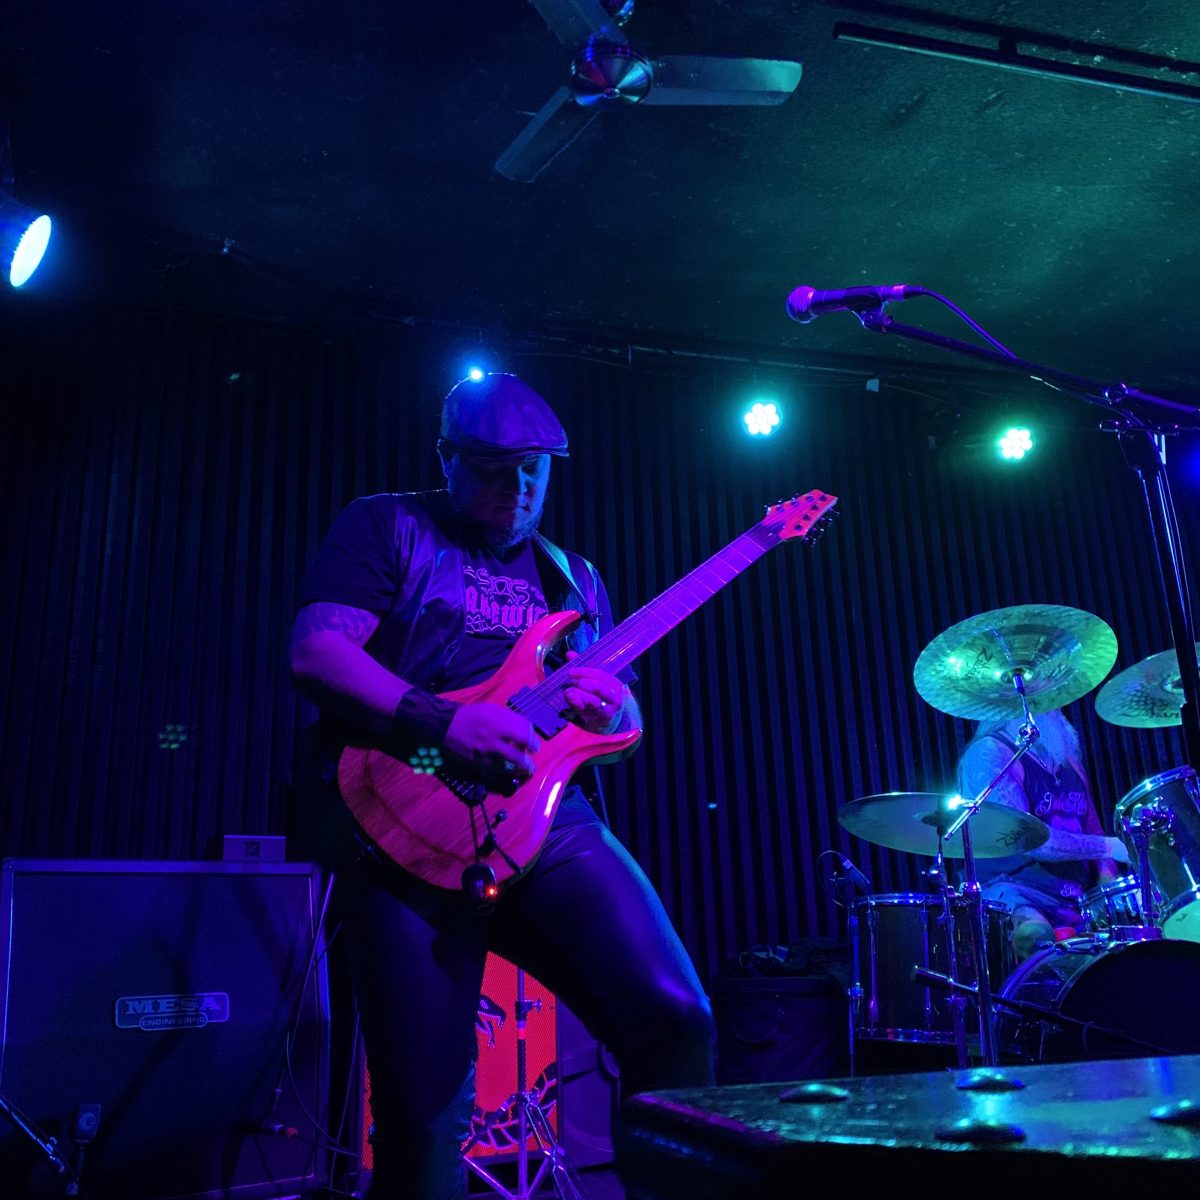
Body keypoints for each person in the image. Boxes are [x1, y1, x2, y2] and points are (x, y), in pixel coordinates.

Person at [289, 372, 716, 1198]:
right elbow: (318, 654)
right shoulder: (386, 524)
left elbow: (610, 733)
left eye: (536, 470)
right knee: (423, 1119)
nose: (518, 488)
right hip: (402, 816)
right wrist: (444, 723)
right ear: (446, 457)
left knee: (674, 1017)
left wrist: (615, 707)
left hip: (546, 822)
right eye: (494, 467)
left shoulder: (573, 577)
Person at [956, 707, 1129, 962]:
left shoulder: (1069, 763)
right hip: (1015, 889)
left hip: (1076, 897)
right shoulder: (991, 754)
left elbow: (1093, 830)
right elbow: (1031, 840)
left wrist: (1107, 883)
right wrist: (1110, 847)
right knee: (1035, 936)